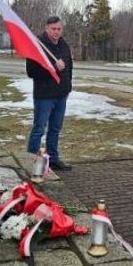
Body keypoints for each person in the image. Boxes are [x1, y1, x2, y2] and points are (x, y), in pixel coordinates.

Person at [26, 15, 74, 171]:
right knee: (39, 129)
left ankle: (52, 159)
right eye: (53, 29)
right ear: (47, 28)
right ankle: (31, 161)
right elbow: (31, 72)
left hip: (61, 95)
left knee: (55, 129)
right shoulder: (37, 45)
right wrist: (53, 67)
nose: (56, 32)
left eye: (59, 29)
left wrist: (68, 86)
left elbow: (69, 68)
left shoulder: (64, 45)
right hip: (44, 96)